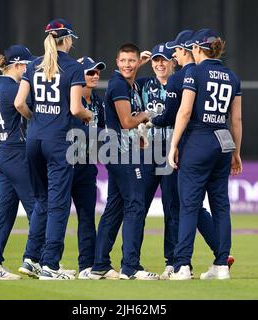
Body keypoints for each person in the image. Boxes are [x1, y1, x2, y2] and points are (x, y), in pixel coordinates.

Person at [152, 30, 235, 277]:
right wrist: (237, 152)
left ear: (196, 48)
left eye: (177, 50)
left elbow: (184, 112)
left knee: (188, 206)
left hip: (197, 142)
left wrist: (174, 144)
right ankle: (221, 264)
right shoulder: (231, 76)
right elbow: (237, 119)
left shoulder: (192, 73)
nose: (174, 56)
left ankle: (182, 265)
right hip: (224, 143)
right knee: (221, 205)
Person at [14, 18, 93, 281]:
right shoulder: (72, 66)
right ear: (67, 39)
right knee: (58, 204)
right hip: (59, 142)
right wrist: (89, 115)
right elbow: (75, 108)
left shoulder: (34, 64)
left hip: (34, 139)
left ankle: (30, 258)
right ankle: (50, 264)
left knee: (42, 201)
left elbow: (19, 103)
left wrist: (37, 119)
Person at [89, 43, 159, 280]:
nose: (127, 65)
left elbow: (130, 125)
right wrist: (149, 114)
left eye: (132, 61)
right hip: (123, 154)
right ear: (117, 63)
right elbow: (127, 121)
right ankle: (130, 267)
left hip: (121, 152)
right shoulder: (119, 84)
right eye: (123, 61)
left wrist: (141, 134)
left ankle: (99, 264)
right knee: (136, 205)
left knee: (115, 208)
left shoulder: (130, 84)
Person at [0, 45, 36, 280]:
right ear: (18, 65)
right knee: (37, 207)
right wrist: (32, 116)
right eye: (26, 65)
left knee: (5, 213)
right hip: (15, 153)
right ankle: (39, 261)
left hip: (5, 152)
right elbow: (20, 105)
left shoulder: (2, 85)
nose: (29, 69)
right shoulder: (13, 88)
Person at [134, 44, 180, 280]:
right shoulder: (142, 85)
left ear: (172, 61)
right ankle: (131, 263)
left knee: (172, 208)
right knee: (138, 207)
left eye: (164, 60)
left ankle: (173, 262)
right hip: (148, 152)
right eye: (156, 61)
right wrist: (138, 64)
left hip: (173, 152)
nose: (160, 65)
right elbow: (121, 83)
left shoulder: (181, 84)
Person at [71, 56, 106, 279]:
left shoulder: (98, 102)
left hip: (87, 164)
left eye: (97, 72)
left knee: (86, 217)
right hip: (65, 165)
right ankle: (47, 262)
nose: (95, 76)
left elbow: (103, 132)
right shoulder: (70, 100)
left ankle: (86, 265)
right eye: (89, 72)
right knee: (56, 214)